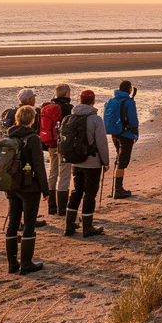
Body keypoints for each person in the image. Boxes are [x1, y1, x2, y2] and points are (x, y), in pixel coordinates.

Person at [5, 104, 49, 275]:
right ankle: (26, 263)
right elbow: (39, 166)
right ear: (32, 119)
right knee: (29, 223)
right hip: (30, 187)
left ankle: (12, 264)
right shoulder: (33, 139)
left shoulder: (9, 136)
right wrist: (46, 190)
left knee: (13, 223)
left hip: (12, 185)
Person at [65, 89, 109, 238]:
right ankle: (87, 227)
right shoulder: (96, 119)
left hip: (76, 161)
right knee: (90, 194)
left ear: (80, 99)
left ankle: (69, 226)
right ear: (93, 101)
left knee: (77, 191)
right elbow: (102, 143)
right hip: (92, 163)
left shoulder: (72, 117)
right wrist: (105, 162)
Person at [41, 83, 73, 215]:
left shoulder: (47, 107)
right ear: (67, 94)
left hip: (51, 144)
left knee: (53, 173)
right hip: (63, 146)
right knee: (64, 175)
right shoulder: (67, 108)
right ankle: (62, 208)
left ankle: (51, 206)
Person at [103, 80, 138, 199]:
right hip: (126, 134)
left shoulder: (112, 101)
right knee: (122, 162)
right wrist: (135, 134)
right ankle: (118, 190)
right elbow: (133, 120)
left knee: (119, 159)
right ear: (129, 89)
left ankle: (115, 189)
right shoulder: (129, 102)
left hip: (115, 133)